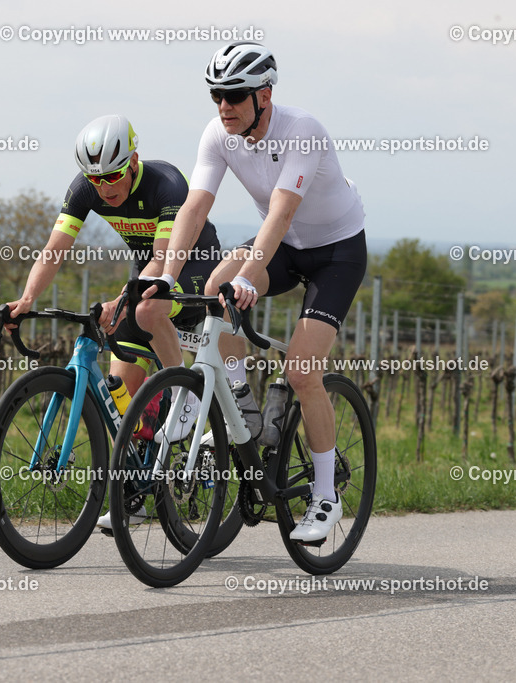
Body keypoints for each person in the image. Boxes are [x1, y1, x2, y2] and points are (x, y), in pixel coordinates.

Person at [155, 43, 367, 543]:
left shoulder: (303, 131)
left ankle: (325, 496)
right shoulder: (219, 134)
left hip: (336, 251)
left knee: (302, 370)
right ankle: (241, 402)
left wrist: (249, 275)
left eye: (235, 95)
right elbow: (194, 208)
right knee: (213, 288)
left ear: (264, 96)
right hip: (286, 248)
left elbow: (281, 211)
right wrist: (165, 277)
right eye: (217, 96)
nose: (224, 106)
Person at [5, 114, 221, 527]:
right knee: (124, 395)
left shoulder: (167, 184)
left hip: (192, 267)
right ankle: (138, 492)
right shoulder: (86, 188)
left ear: (134, 161)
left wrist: (119, 299)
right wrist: (28, 298)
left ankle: (184, 392)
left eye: (114, 176)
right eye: (96, 179)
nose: (106, 188)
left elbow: (160, 260)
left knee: (145, 308)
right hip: (143, 278)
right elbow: (55, 248)